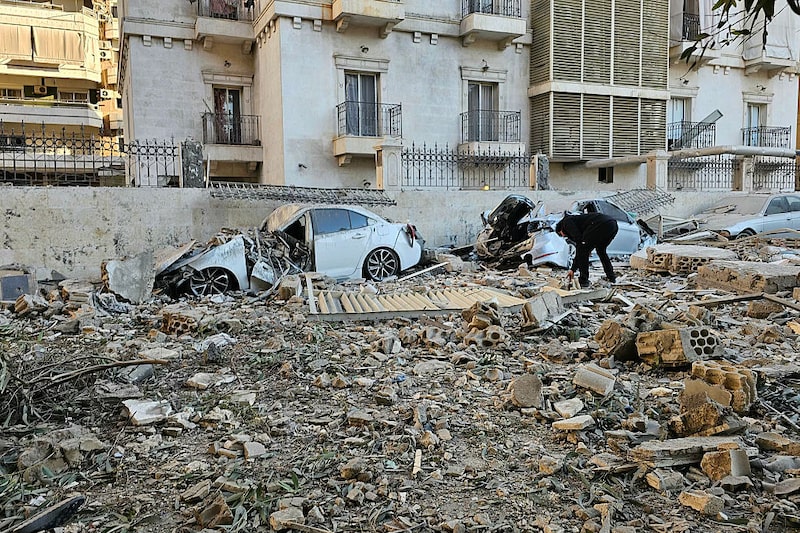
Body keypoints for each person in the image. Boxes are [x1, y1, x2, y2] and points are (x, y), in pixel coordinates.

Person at [555, 212, 619, 288]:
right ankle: (611, 277)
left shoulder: (566, 223)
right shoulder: (574, 220)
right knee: (601, 251)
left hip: (600, 224)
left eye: (561, 234)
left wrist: (572, 269)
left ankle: (583, 280)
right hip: (613, 225)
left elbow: (579, 241)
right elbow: (583, 241)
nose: (563, 236)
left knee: (583, 250)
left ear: (560, 230)